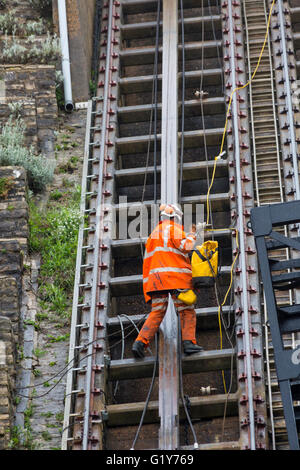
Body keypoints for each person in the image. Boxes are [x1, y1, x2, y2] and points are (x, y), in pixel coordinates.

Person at [132, 203, 204, 358]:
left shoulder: (153, 235)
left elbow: (147, 263)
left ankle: (140, 342)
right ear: (176, 217)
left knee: (157, 312)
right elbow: (187, 246)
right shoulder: (173, 229)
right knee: (186, 310)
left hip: (156, 282)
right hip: (175, 279)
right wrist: (194, 233)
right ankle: (189, 343)